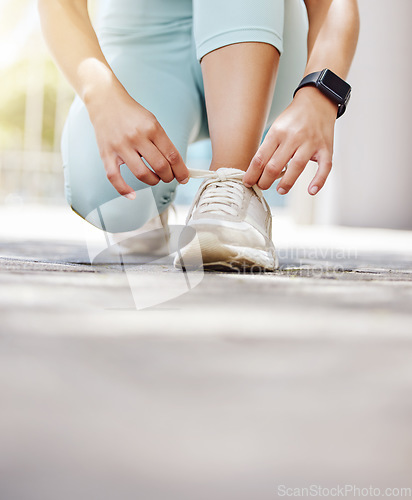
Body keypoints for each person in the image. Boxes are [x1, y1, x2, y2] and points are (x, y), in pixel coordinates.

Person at [38, 0, 359, 270]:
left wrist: (320, 94)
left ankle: (231, 190)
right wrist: (103, 99)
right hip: (144, 35)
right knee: (106, 195)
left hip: (263, 31)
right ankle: (155, 206)